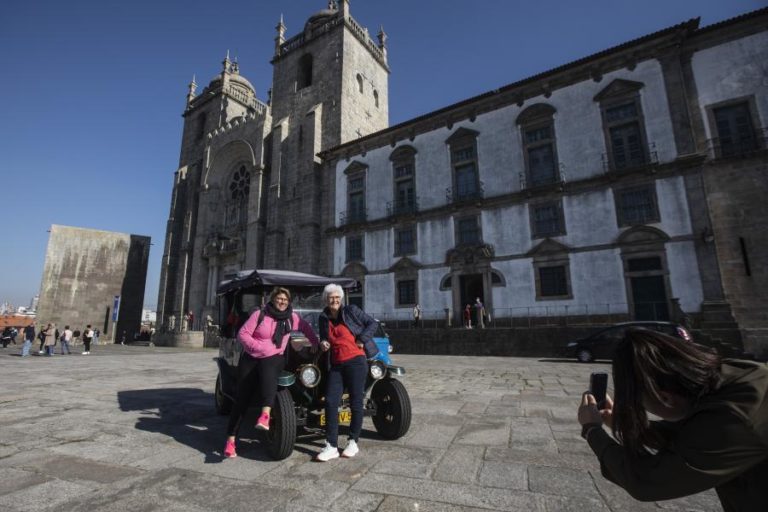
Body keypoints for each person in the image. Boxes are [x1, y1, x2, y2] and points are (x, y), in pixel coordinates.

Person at [577, 328, 768, 512]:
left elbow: (647, 481)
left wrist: (592, 431)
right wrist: (624, 424)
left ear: (665, 397)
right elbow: (693, 434)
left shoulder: (737, 420)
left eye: (641, 403)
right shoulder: (735, 377)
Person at [223, 287, 318, 458]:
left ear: (289, 302)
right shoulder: (259, 315)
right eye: (279, 298)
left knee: (270, 373)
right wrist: (259, 347)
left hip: (274, 357)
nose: (282, 302)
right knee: (241, 398)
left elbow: (306, 327)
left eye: (285, 300)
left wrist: (316, 343)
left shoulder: (292, 318)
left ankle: (265, 415)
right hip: (251, 357)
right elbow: (243, 334)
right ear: (273, 299)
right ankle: (231, 440)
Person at [315, 283, 379, 462]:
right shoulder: (323, 317)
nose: (334, 300)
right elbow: (323, 338)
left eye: (337, 297)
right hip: (336, 365)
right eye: (331, 297)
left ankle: (353, 441)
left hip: (356, 362)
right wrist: (323, 343)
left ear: (341, 299)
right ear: (326, 300)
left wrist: (361, 339)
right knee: (330, 401)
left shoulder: (351, 310)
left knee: (356, 401)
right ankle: (332, 445)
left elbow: (372, 324)